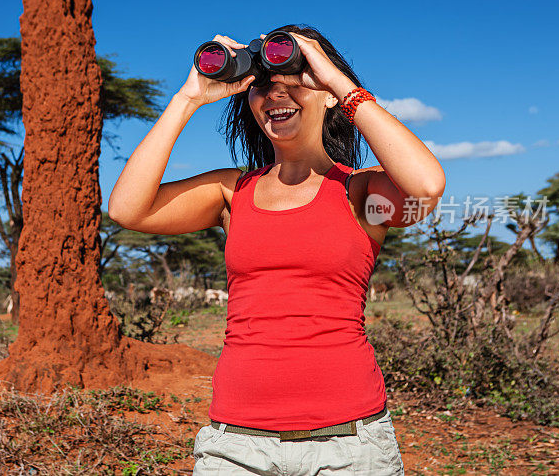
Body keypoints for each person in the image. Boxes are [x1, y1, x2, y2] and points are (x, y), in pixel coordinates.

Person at [108, 24, 446, 475]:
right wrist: (188, 98)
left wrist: (340, 84)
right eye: (263, 86)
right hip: (237, 444)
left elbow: (427, 185)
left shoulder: (361, 193)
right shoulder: (233, 192)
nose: (276, 96)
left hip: (349, 443)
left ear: (327, 93)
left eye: (297, 82)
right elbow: (127, 210)